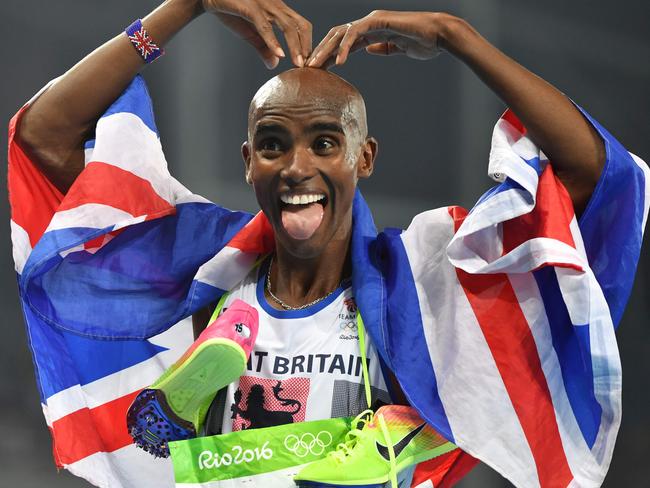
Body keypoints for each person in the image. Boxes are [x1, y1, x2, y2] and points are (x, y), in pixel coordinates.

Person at [8, 0, 648, 487]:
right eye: (272, 145)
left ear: (363, 157)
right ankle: (192, 406)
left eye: (324, 143)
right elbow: (44, 138)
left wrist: (459, 37)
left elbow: (592, 174)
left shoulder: (421, 288)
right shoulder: (203, 265)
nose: (296, 168)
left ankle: (383, 442)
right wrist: (185, 6)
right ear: (248, 162)